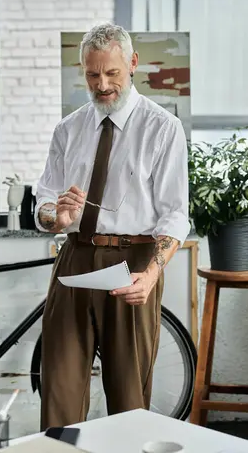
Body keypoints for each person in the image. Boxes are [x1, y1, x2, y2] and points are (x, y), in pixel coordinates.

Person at [35, 22, 190, 430]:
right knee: (59, 391)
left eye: (112, 73)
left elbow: (175, 213)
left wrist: (152, 273)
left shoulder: (162, 128)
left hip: (134, 264)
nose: (101, 84)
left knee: (128, 398)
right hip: (75, 260)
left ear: (133, 63)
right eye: (92, 74)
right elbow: (45, 204)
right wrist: (57, 218)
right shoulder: (68, 129)